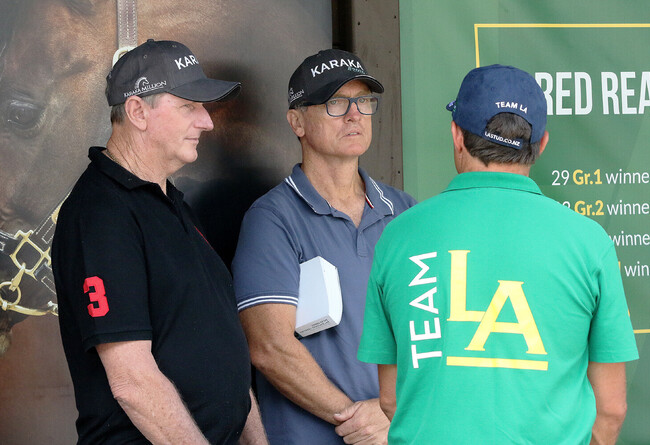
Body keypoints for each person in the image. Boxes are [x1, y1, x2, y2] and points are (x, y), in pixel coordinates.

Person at [357, 64, 639, 444]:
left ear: (456, 134)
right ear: (541, 145)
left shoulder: (399, 235)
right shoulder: (589, 242)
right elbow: (610, 409)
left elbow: (393, 399)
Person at [52, 39, 267, 444]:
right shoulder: (100, 213)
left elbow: (225, 350)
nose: (208, 122)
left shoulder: (172, 203)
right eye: (189, 106)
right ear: (137, 111)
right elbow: (133, 382)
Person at [231, 49, 416, 444]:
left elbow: (433, 333)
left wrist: (393, 416)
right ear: (297, 121)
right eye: (336, 103)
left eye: (364, 101)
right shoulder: (272, 219)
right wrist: (360, 421)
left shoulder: (405, 212)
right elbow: (269, 347)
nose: (355, 115)